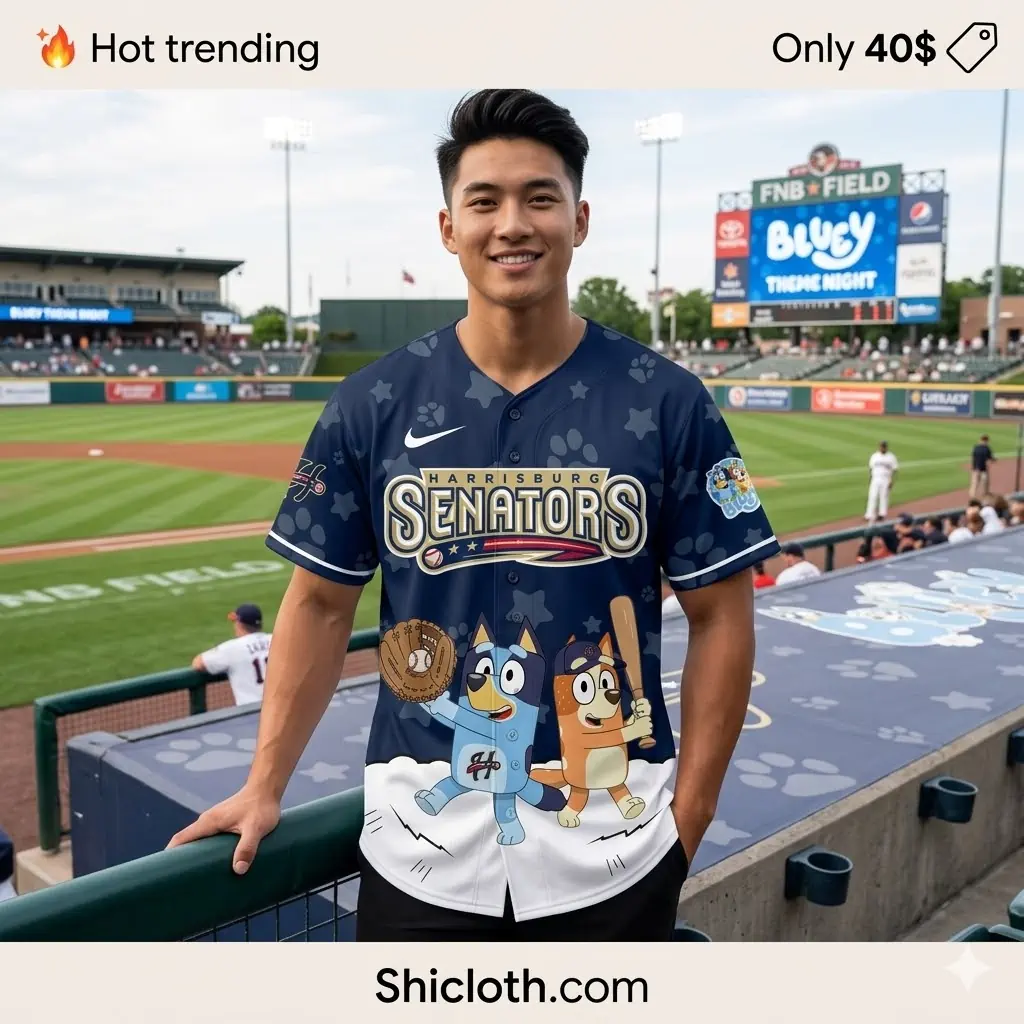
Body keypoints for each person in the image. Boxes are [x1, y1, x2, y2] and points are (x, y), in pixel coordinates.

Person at [166, 89, 780, 942]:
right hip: (421, 844)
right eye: (484, 201)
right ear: (449, 226)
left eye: (540, 197)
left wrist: (691, 812)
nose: (513, 224)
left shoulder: (669, 401)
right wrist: (265, 783)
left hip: (614, 840)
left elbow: (723, 611)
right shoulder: (373, 401)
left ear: (580, 217)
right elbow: (318, 603)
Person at [191, 604, 271, 706]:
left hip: (252, 713)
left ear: (239, 624)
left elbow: (197, 664)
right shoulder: (276, 640)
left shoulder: (232, 648)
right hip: (281, 710)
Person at [865, 440, 898, 522]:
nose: (882, 448)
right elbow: (871, 468)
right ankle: (869, 514)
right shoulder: (874, 456)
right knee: (872, 496)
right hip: (875, 478)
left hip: (885, 479)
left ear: (886, 447)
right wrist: (870, 478)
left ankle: (882, 514)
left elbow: (894, 469)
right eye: (881, 446)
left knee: (884, 496)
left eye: (883, 446)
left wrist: (891, 480)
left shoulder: (891, 457)